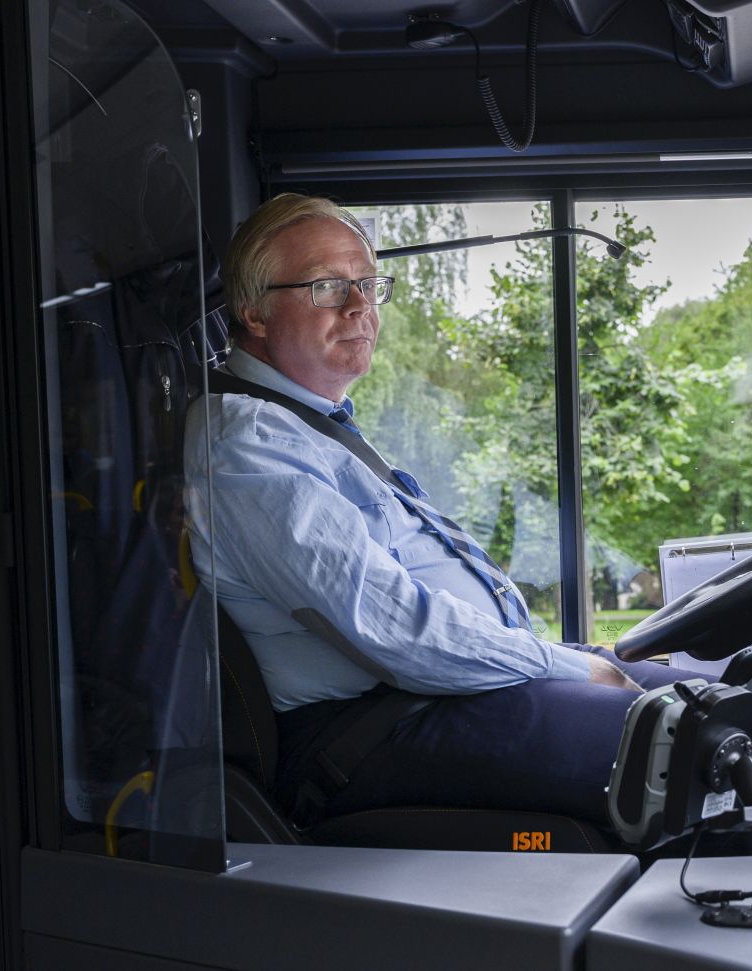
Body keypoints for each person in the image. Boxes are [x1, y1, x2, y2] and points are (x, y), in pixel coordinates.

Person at [184, 194, 707, 832]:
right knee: (698, 749)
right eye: (327, 287)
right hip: (376, 728)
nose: (360, 307)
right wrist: (574, 667)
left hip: (441, 692)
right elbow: (394, 627)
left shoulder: (308, 426)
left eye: (368, 284)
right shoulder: (248, 443)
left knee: (727, 701)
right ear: (253, 312)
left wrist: (558, 657)